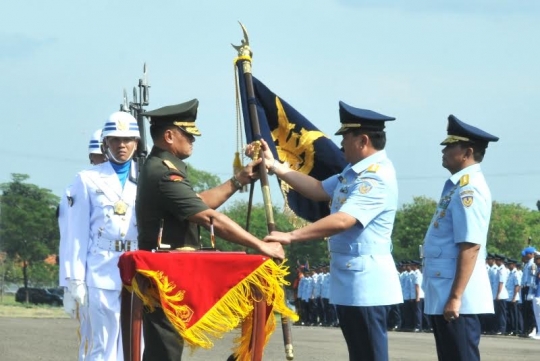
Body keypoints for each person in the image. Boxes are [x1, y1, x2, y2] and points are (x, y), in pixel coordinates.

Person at [135, 99, 284, 361]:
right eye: (188, 135)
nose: (193, 140)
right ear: (169, 136)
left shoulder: (166, 168)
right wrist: (261, 245)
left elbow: (198, 203)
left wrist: (238, 180)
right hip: (167, 273)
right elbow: (207, 216)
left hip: (175, 270)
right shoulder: (163, 172)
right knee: (165, 350)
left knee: (167, 347)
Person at [257, 101, 403, 361]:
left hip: (366, 283)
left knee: (370, 354)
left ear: (363, 141)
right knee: (359, 354)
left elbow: (344, 220)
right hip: (350, 279)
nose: (341, 144)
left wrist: (290, 236)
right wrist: (277, 166)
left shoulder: (375, 176)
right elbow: (317, 189)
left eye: (346, 137)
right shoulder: (352, 173)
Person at [422, 115, 498, 361]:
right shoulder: (457, 185)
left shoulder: (469, 188)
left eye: (450, 145)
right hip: (445, 290)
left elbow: (470, 244)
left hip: (458, 297)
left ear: (467, 151)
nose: (443, 150)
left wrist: (456, 297)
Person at [69, 112, 141, 361]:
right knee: (103, 344)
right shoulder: (87, 179)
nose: (122, 145)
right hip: (101, 266)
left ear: (137, 142)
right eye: (115, 140)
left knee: (136, 345)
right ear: (105, 143)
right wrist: (75, 279)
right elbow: (76, 233)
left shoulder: (146, 178)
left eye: (128, 139)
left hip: (137, 266)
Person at [58, 128, 108, 360]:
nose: (105, 160)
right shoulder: (79, 187)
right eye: (101, 155)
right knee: (95, 343)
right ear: (92, 157)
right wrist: (68, 283)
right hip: (88, 277)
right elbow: (69, 238)